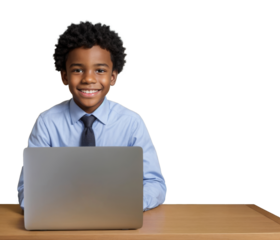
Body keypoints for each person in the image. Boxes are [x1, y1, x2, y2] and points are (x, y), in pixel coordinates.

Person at [16, 18, 167, 213]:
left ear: (112, 77)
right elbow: (26, 189)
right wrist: (57, 207)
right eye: (78, 70)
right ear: (64, 77)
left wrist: (127, 205)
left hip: (117, 215)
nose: (88, 79)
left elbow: (155, 184)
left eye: (100, 70)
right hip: (61, 216)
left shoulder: (131, 122)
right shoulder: (46, 122)